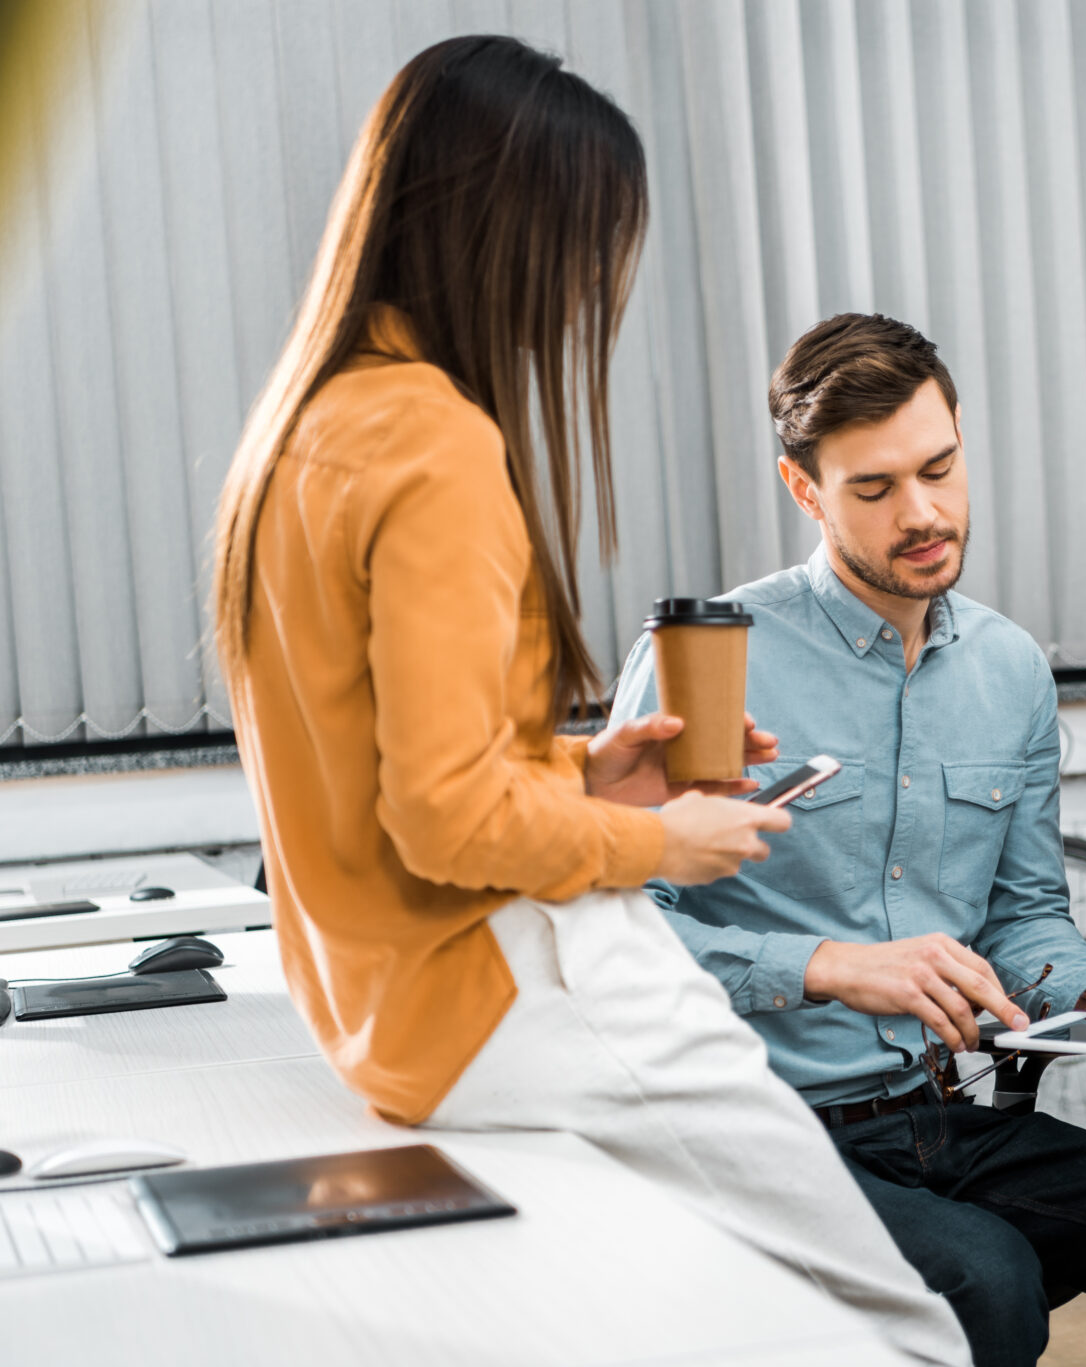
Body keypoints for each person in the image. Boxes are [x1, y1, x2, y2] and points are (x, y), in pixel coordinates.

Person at [210, 39, 966, 1366]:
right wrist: (660, 841)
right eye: (595, 247)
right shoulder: (440, 443)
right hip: (511, 980)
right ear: (516, 227)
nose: (591, 294)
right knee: (896, 1327)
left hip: (382, 1016)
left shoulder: (306, 424)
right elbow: (447, 819)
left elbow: (387, 761)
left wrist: (585, 770)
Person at [609, 313, 1086, 1367]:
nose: (922, 513)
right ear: (804, 490)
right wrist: (823, 967)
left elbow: (1023, 915)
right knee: (985, 1279)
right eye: (873, 488)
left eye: (939, 467)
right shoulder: (708, 661)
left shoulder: (1009, 668)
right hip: (758, 1127)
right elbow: (619, 932)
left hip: (934, 1113)